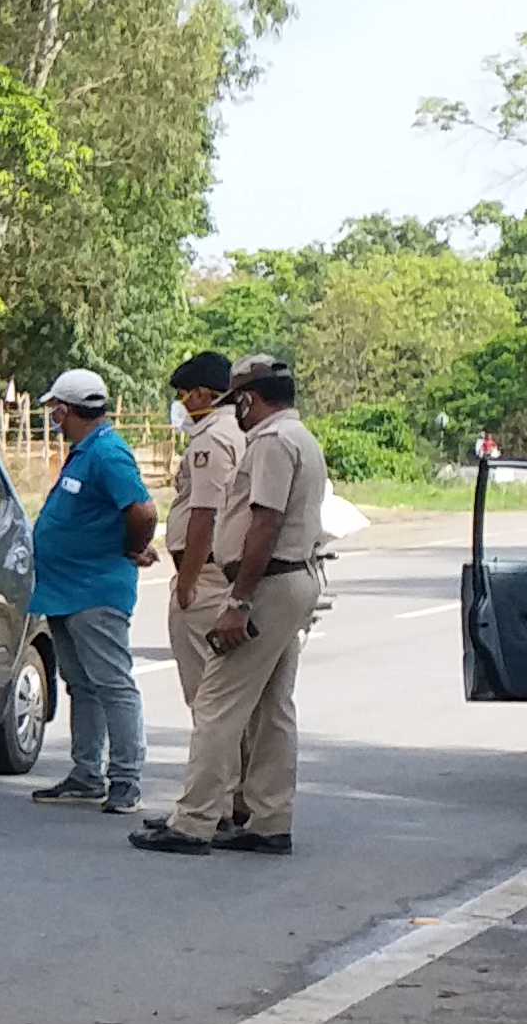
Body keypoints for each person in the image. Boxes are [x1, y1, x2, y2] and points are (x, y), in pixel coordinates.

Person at [137, 352, 330, 858]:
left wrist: (238, 600)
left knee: (217, 704)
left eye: (237, 401)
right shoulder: (301, 437)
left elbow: (263, 523)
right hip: (296, 579)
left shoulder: (270, 442)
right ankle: (269, 819)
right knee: (272, 708)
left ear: (248, 397)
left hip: (265, 584)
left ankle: (195, 820)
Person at [22, 368, 155, 813]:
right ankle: (86, 773)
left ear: (64, 410)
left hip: (95, 589)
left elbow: (142, 510)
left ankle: (125, 778)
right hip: (65, 589)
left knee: (112, 683)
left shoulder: (108, 454)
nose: (53, 418)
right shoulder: (86, 453)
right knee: (82, 683)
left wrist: (133, 547)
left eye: (55, 410)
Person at [160, 348, 242, 710]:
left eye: (186, 394)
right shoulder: (242, 429)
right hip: (221, 572)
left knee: (206, 696)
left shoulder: (212, 437)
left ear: (205, 395)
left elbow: (204, 515)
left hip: (206, 576)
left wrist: (187, 584)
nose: (183, 403)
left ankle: (219, 768)